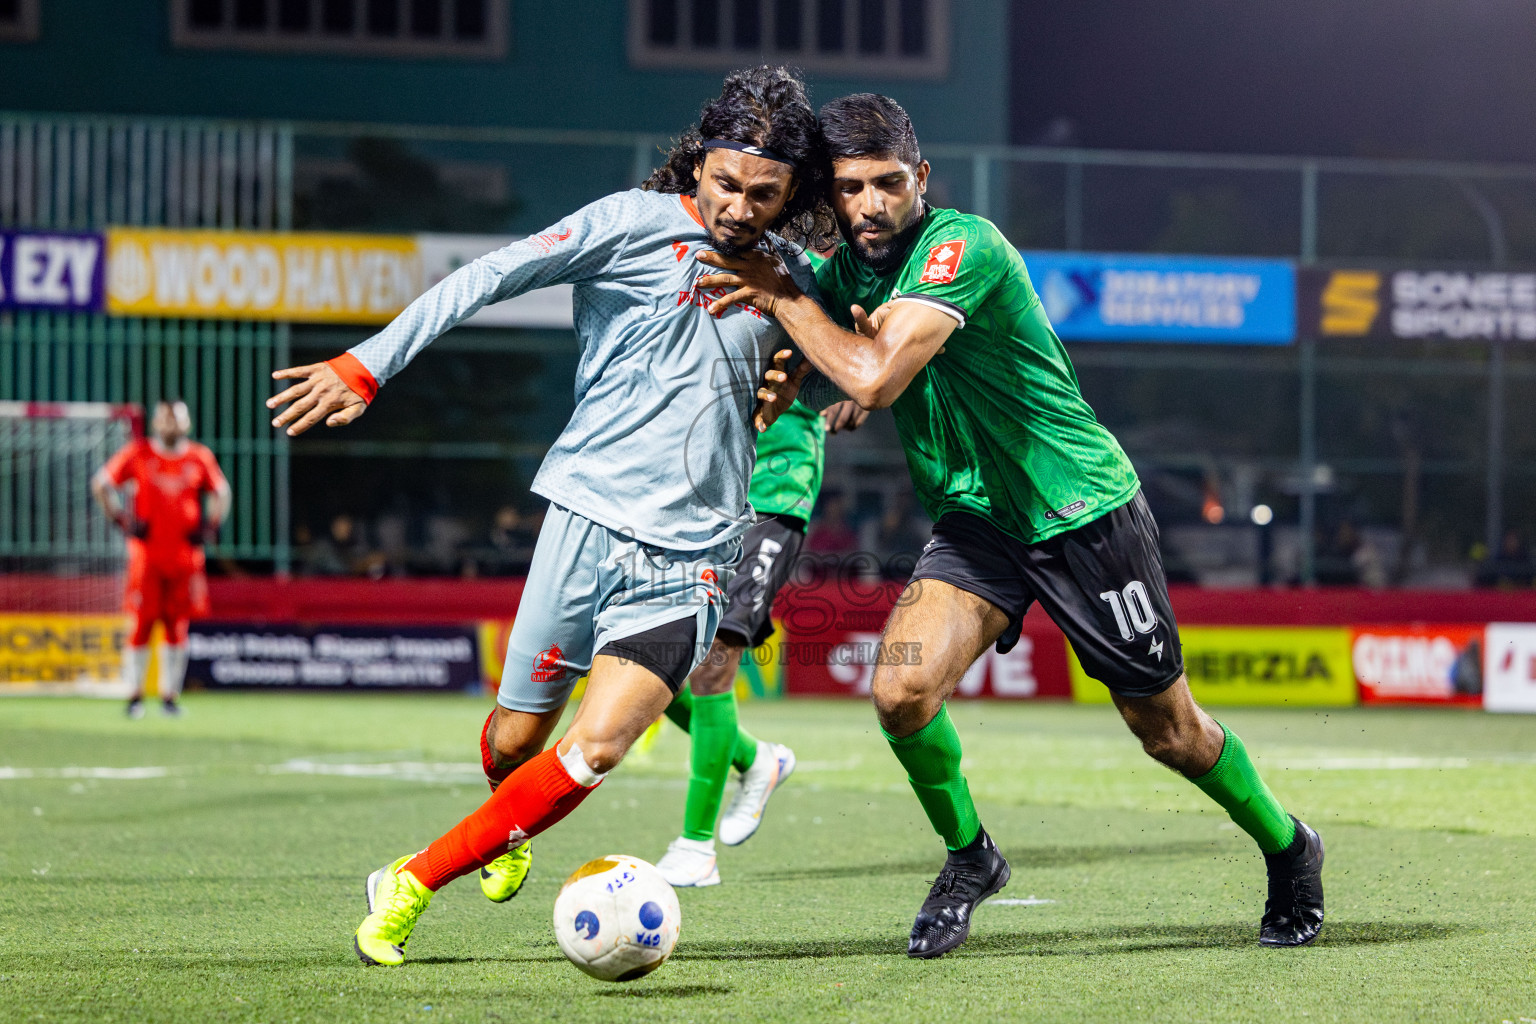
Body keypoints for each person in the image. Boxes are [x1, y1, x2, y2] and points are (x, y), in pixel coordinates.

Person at [701, 93, 1324, 958]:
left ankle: (1290, 846)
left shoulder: (966, 245)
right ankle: (969, 858)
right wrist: (802, 388)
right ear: (832, 196)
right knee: (900, 692)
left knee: (1170, 733)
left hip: (1080, 512)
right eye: (851, 188)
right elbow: (834, 376)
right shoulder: (845, 278)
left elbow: (876, 374)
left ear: (920, 178)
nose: (872, 205)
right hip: (978, 521)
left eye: (888, 183)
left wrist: (789, 307)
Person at [265, 66, 834, 967]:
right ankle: (508, 823)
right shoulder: (626, 224)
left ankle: (410, 880)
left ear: (792, 194)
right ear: (697, 167)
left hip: (690, 555)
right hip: (581, 523)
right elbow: (491, 275)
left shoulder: (795, 274)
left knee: (597, 746)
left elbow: (851, 351)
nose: (738, 207)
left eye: (764, 194)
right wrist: (369, 364)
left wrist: (796, 363)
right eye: (725, 183)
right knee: (514, 743)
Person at [655, 384, 867, 887]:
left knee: (714, 664)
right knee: (653, 668)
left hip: (773, 490)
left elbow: (874, 345)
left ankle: (695, 847)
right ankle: (757, 761)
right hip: (696, 495)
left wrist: (855, 382)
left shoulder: (806, 302)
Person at [91, 398, 230, 718]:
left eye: (177, 418)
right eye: (165, 418)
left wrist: (210, 526)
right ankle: (135, 696)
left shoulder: (199, 457)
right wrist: (122, 520)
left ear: (187, 423)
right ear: (156, 423)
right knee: (141, 624)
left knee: (177, 627)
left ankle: (170, 696)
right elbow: (101, 484)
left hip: (185, 560)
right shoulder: (138, 453)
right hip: (147, 559)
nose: (171, 424)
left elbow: (222, 492)